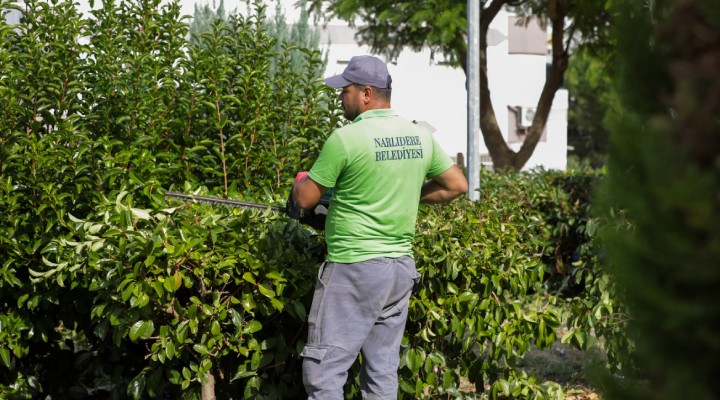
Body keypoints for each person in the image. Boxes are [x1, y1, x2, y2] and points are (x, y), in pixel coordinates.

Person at [292, 55, 468, 399]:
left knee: (323, 372)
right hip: (398, 271)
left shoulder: (346, 139)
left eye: (345, 90)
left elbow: (305, 199)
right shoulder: (419, 135)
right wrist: (407, 194)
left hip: (353, 269)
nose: (340, 96)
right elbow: (456, 185)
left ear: (366, 94)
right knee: (381, 373)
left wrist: (300, 184)